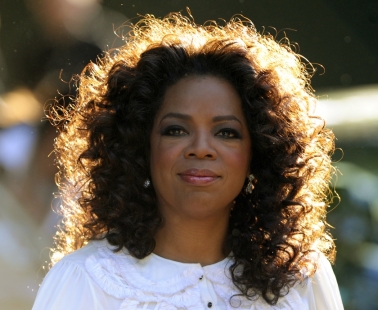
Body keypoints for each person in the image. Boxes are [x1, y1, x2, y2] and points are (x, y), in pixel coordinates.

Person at [32, 12, 343, 310]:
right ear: (141, 147)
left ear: (258, 153)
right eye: (176, 130)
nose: (201, 149)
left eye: (226, 132)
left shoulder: (301, 280)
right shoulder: (87, 280)